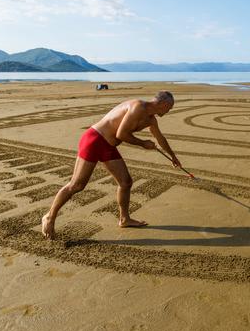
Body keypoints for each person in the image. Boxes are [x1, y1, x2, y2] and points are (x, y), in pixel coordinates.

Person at [41, 91, 180, 240]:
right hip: (95, 140)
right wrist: (143, 143)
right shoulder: (138, 107)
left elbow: (160, 138)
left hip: (108, 146)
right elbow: (121, 134)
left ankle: (124, 219)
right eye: (169, 108)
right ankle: (49, 217)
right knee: (77, 185)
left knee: (125, 182)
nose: (169, 111)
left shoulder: (151, 120)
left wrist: (173, 157)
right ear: (163, 104)